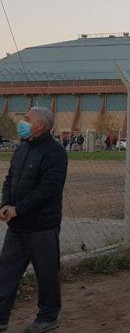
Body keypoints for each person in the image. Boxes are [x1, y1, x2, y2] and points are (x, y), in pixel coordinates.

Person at [0, 107, 68, 333]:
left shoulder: (55, 152)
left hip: (42, 227)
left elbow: (48, 189)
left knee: (46, 274)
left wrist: (19, 208)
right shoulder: (23, 148)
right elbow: (10, 179)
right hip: (17, 227)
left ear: (40, 125)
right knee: (5, 274)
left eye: (26, 119)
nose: (22, 121)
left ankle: (48, 316)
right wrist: (5, 204)